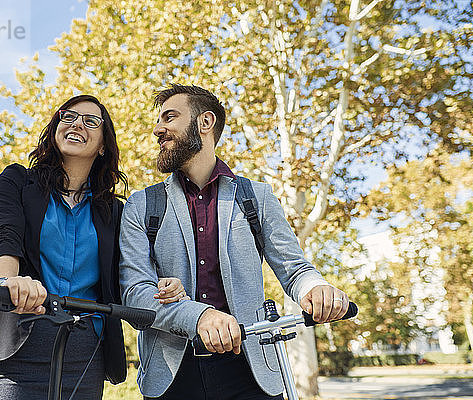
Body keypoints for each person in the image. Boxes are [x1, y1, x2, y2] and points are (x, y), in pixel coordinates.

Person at [119, 84, 350, 400]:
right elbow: (134, 295)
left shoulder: (258, 197)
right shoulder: (141, 205)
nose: (158, 129)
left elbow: (295, 270)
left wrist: (316, 288)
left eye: (169, 117)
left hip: (251, 374)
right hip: (172, 379)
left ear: (205, 122)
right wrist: (199, 316)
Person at [0, 95, 187, 400]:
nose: (77, 124)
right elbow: (4, 237)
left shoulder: (115, 211)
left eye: (91, 121)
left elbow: (132, 269)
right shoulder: (18, 181)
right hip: (12, 343)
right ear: (56, 128)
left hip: (83, 350)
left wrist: (164, 284)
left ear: (103, 145)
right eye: (69, 116)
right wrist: (7, 281)